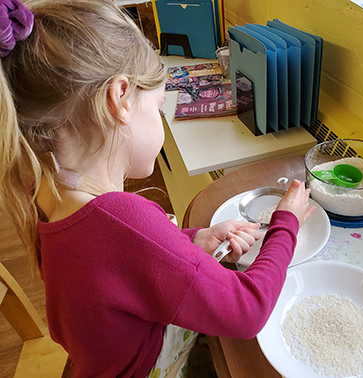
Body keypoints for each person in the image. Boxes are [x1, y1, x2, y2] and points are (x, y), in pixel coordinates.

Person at [0, 0, 316, 377]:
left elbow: (116, 267)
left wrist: (191, 241)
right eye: (159, 106)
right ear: (119, 100)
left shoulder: (47, 191)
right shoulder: (120, 219)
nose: (162, 119)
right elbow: (247, 312)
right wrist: (286, 223)